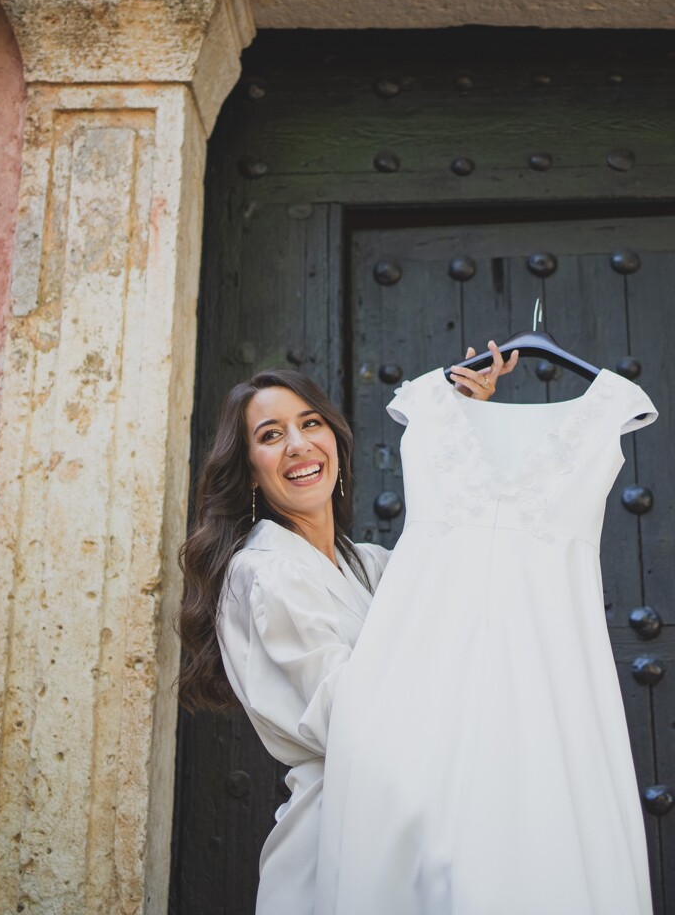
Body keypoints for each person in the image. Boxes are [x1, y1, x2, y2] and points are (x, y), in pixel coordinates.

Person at [176, 342, 519, 914]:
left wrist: (464, 420)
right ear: (250, 473)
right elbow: (353, 712)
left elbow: (459, 574)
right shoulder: (264, 572)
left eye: (311, 423)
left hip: (412, 830)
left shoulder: (369, 564)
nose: (298, 444)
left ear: (334, 441)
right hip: (338, 838)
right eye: (270, 435)